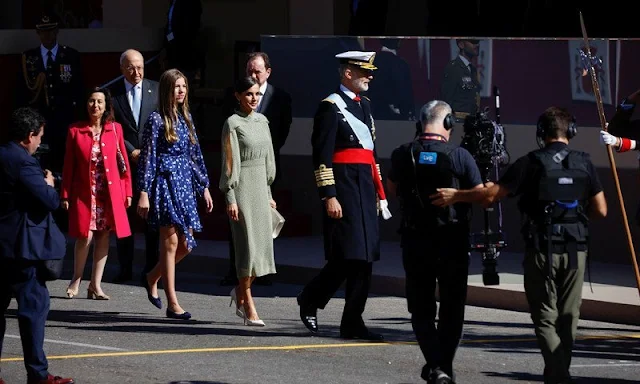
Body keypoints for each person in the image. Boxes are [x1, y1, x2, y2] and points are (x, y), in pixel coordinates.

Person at [431, 107, 608, 384]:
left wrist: (458, 195)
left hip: (542, 248)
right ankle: (558, 371)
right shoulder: (584, 162)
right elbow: (601, 210)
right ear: (570, 132)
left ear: (541, 134)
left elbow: (491, 197)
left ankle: (559, 374)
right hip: (576, 250)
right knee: (569, 315)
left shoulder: (530, 163)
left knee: (545, 316)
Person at [386, 100, 484, 384]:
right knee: (452, 308)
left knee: (421, 307)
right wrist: (457, 196)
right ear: (449, 123)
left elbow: (391, 189)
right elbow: (481, 195)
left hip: (415, 240)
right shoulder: (460, 155)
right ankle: (442, 368)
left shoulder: (402, 154)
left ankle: (436, 367)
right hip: (452, 241)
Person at [296, 51, 391, 341]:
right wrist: (329, 195)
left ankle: (352, 322)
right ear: (347, 73)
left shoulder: (366, 106)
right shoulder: (330, 107)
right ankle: (311, 298)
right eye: (364, 71)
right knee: (346, 256)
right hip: (345, 188)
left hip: (365, 187)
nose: (370, 76)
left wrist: (379, 191)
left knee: (365, 257)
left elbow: (371, 153)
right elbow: (321, 156)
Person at [0, 108, 74, 384]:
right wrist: (51, 184)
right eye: (38, 137)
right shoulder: (23, 162)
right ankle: (38, 374)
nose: (38, 143)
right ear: (29, 136)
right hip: (22, 249)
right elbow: (49, 201)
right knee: (33, 310)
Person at [137, 69, 213, 320]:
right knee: (169, 244)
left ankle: (152, 276)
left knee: (186, 245)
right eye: (176, 87)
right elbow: (148, 158)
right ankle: (172, 302)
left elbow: (195, 155)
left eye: (184, 86)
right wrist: (144, 191)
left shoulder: (187, 118)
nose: (181, 91)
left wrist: (204, 186)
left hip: (185, 185)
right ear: (167, 90)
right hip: (165, 182)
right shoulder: (156, 120)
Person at [219, 51, 292, 287]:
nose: (253, 74)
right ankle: (238, 271)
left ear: (267, 72)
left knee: (263, 224)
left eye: (257, 71)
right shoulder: (233, 102)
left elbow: (282, 131)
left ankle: (262, 270)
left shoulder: (280, 98)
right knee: (240, 226)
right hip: (241, 173)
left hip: (264, 170)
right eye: (249, 70)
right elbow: (228, 146)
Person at [61, 87, 133, 300]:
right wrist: (64, 194)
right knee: (85, 236)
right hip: (85, 192)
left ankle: (96, 284)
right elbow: (68, 166)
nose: (96, 106)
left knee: (104, 235)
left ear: (106, 106)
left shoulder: (115, 129)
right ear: (86, 104)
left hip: (109, 193)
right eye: (92, 101)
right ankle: (76, 278)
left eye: (100, 102)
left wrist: (127, 191)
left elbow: (123, 163)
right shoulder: (75, 130)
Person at [219, 77, 278, 327]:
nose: (254, 99)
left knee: (263, 250)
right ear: (238, 96)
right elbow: (229, 163)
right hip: (242, 190)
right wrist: (230, 196)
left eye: (257, 95)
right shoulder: (232, 124)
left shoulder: (263, 121)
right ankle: (249, 304)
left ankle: (239, 292)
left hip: (260, 190)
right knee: (247, 248)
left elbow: (268, 161)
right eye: (249, 94)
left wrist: (269, 194)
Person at [109, 49, 161, 284]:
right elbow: (112, 126)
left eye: (140, 67)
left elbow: (163, 123)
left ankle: (150, 270)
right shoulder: (113, 94)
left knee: (151, 221)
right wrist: (131, 150)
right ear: (122, 69)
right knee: (126, 219)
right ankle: (125, 267)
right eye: (130, 67)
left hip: (152, 163)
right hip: (126, 163)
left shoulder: (156, 89)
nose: (136, 71)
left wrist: (149, 150)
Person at [16, 14, 84, 174]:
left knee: (65, 163)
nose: (47, 35)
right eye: (43, 31)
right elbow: (21, 93)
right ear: (38, 33)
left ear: (57, 31)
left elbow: (79, 90)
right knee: (38, 166)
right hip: (37, 122)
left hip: (64, 120)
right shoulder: (28, 58)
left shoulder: (71, 56)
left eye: (51, 31)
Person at [367, 38, 415, 121]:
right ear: (398, 42)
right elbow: (404, 93)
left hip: (373, 114)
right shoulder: (400, 64)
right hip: (396, 117)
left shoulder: (371, 62)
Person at [162, 0, 204, 88]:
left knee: (184, 83)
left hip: (185, 49)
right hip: (172, 49)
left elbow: (190, 26)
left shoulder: (191, 2)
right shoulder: (173, 2)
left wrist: (174, 39)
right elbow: (170, 24)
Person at [440, 39, 480, 123]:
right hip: (458, 122)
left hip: (471, 122)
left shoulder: (472, 70)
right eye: (473, 42)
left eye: (477, 42)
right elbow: (446, 100)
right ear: (461, 44)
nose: (477, 45)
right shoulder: (453, 68)